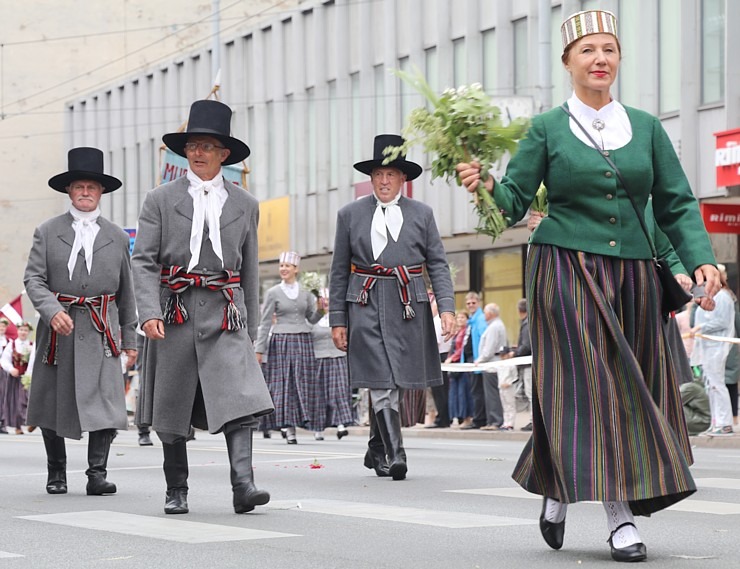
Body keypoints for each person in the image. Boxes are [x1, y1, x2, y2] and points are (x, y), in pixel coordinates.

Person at [457, 9, 719, 562]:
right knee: (600, 387)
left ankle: (555, 484)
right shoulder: (547, 128)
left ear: (618, 59)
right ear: (568, 62)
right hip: (565, 270)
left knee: (626, 385)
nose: (601, 59)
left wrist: (701, 260)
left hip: (633, 277)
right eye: (588, 50)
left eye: (609, 49)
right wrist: (484, 184)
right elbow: (513, 204)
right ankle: (619, 518)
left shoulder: (645, 127)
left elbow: (675, 202)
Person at [131, 99, 274, 515]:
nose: (198, 152)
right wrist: (148, 312)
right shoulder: (159, 199)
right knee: (171, 407)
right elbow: (142, 260)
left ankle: (243, 485)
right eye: (192, 145)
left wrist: (247, 326)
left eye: (207, 146)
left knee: (241, 398)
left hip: (225, 313)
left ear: (223, 154)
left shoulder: (246, 204)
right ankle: (177, 490)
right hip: (173, 312)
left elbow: (248, 268)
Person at [329, 133, 455, 481]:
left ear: (403, 178)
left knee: (395, 379)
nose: (384, 181)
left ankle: (376, 447)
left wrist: (446, 308)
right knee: (381, 380)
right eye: (378, 174)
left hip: (407, 306)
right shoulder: (349, 215)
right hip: (365, 303)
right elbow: (339, 270)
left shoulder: (423, 215)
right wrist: (337, 319)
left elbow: (438, 265)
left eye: (391, 174)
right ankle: (397, 454)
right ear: (371, 178)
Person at [22, 147, 137, 495]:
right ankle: (56, 473)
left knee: (106, 402)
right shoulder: (47, 231)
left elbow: (126, 292)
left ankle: (97, 475)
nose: (85, 192)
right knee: (51, 401)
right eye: (79, 187)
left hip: (103, 329)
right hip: (59, 331)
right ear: (69, 191)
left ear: (101, 192)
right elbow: (33, 279)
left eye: (92, 187)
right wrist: (52, 309)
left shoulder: (117, 236)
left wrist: (131, 339)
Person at [255, 252, 325, 443]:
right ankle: (288, 427)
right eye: (281, 265)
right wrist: (259, 350)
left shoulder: (306, 292)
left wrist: (321, 309)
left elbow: (312, 318)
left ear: (296, 269)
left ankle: (303, 422)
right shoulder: (273, 293)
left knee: (301, 384)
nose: (283, 269)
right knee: (284, 385)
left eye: (287, 265)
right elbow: (266, 322)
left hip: (303, 340)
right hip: (281, 342)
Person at [691, 270, 735, 436]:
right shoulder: (707, 298)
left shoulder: (723, 296)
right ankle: (716, 421)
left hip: (717, 344)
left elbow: (722, 321)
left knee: (717, 383)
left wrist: (701, 328)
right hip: (707, 345)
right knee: (710, 383)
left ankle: (725, 423)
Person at [310, 289, 353, 440]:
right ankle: (318, 428)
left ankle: (341, 424)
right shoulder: (314, 320)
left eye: (328, 298)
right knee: (319, 394)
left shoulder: (341, 319)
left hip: (338, 357)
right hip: (319, 359)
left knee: (339, 391)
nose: (326, 302)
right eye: (323, 299)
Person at [474, 303, 506, 430]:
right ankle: (492, 419)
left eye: (485, 312)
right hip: (492, 363)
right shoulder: (495, 325)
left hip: (492, 364)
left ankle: (495, 421)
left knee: (492, 394)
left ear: (491, 313)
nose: (484, 315)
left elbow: (489, 348)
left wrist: (479, 360)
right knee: (492, 393)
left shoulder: (494, 327)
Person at [502, 299, 533, 431]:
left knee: (531, 393)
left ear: (520, 311)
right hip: (528, 363)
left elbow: (526, 345)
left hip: (527, 364)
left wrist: (514, 354)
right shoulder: (529, 323)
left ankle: (533, 420)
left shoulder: (526, 324)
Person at [0, 321, 35, 436]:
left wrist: (29, 374)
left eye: (25, 330)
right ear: (17, 331)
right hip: (14, 377)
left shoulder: (31, 345)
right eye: (21, 330)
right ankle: (18, 426)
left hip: (27, 377)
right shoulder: (12, 344)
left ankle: (31, 421)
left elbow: (33, 361)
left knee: (26, 400)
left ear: (28, 332)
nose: (23, 332)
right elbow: (4, 359)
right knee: (15, 401)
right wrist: (10, 369)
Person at [460, 292, 489, 430]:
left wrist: (480, 358)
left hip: (477, 360)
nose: (471, 305)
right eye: (468, 303)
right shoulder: (472, 320)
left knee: (477, 392)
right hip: (471, 360)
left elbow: (484, 338)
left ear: (478, 303)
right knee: (474, 391)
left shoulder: (480, 319)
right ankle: (477, 417)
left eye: (473, 303)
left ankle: (479, 419)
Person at [426, 295, 451, 428]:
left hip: (439, 355)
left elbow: (434, 341)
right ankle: (444, 417)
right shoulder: (440, 320)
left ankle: (442, 418)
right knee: (442, 390)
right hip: (444, 354)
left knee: (439, 390)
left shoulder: (436, 321)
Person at [445, 311, 473, 427]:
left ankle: (466, 418)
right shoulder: (456, 332)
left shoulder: (467, 331)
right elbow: (453, 348)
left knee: (463, 393)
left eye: (463, 317)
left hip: (462, 364)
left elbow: (462, 349)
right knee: (454, 393)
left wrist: (452, 358)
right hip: (454, 366)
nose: (460, 319)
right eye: (459, 317)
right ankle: (456, 417)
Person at [0, 318, 9, 434]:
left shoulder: (8, 341)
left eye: (3, 327)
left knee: (3, 397)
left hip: (2, 372)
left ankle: (2, 422)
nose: (1, 328)